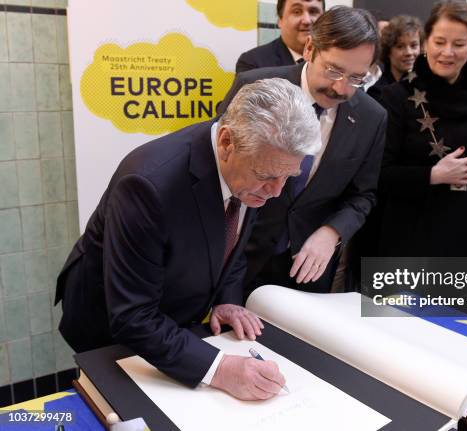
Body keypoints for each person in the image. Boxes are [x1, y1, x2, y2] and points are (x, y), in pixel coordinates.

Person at [55, 78, 322, 398]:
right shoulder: (148, 185)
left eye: (287, 177)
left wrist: (226, 298)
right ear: (226, 143)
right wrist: (220, 368)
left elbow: (232, 240)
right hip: (108, 324)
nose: (277, 192)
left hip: (169, 315)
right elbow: (133, 316)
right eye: (267, 177)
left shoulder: (257, 165)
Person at [220, 6, 387, 295]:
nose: (340, 88)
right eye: (334, 70)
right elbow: (219, 163)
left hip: (309, 266)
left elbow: (363, 195)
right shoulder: (256, 86)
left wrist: (332, 232)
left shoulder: (372, 117)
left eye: (356, 78)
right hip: (238, 256)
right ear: (310, 48)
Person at [377, 0, 467, 257]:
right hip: (413, 234)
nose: (447, 52)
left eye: (459, 44)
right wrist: (432, 175)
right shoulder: (396, 97)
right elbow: (378, 174)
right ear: (426, 40)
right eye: (439, 42)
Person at [235, 0, 324, 73]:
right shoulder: (253, 63)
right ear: (280, 20)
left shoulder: (334, 61)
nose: (307, 21)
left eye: (313, 12)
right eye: (297, 12)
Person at [367, 15, 422, 103]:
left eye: (413, 45)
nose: (409, 52)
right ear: (388, 51)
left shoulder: (429, 87)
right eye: (400, 46)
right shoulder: (377, 93)